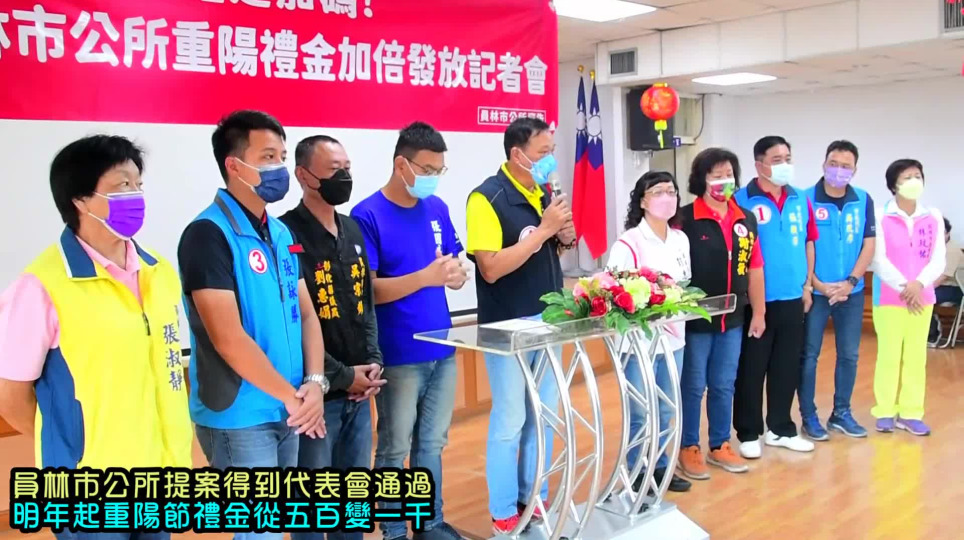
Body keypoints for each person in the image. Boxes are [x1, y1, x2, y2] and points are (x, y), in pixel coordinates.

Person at [0, 135, 192, 540]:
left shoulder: (159, 272)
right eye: (122, 185)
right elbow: (12, 398)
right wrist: (69, 449)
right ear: (81, 200)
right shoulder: (41, 286)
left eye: (138, 184)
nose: (136, 196)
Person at [178, 111, 326, 539]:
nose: (280, 168)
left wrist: (314, 383)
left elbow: (307, 314)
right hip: (240, 415)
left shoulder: (280, 233)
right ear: (235, 165)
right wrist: (293, 398)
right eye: (267, 157)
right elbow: (227, 338)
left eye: (282, 156)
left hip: (290, 405)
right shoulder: (207, 234)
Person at [351, 121, 467, 540]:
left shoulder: (437, 208)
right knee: (395, 446)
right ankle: (395, 530)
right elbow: (368, 290)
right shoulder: (367, 215)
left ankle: (430, 523)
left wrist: (456, 275)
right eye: (427, 169)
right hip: (398, 351)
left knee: (432, 443)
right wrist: (425, 277)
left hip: (443, 346)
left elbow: (452, 264)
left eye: (439, 170)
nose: (433, 178)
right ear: (402, 164)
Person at [465, 117, 575, 535]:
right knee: (511, 420)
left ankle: (536, 498)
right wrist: (544, 230)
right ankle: (503, 511)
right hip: (506, 326)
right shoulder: (486, 198)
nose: (550, 161)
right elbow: (491, 268)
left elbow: (549, 253)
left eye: (552, 153)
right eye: (543, 153)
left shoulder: (543, 193)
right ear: (517, 154)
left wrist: (562, 236)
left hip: (549, 319)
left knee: (543, 416)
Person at [280, 135, 386, 540]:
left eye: (347, 169)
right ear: (304, 175)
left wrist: (372, 363)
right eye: (333, 170)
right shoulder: (285, 234)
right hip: (315, 398)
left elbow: (365, 303)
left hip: (359, 394)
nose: (343, 177)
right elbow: (294, 323)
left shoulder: (353, 228)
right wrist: (342, 376)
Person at [676, 148, 762, 481]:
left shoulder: (745, 218)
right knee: (693, 385)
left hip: (734, 319)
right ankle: (689, 446)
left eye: (729, 175)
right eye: (716, 176)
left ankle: (720, 444)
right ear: (701, 179)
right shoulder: (684, 219)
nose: (724, 181)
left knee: (724, 384)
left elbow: (755, 267)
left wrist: (759, 311)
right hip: (696, 320)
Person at [607, 171, 692, 493]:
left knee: (667, 407)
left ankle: (659, 467)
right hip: (637, 344)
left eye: (671, 191)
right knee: (640, 412)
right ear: (642, 201)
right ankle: (636, 472)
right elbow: (614, 292)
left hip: (673, 340)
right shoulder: (629, 243)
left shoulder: (680, 239)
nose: (666, 197)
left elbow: (685, 284)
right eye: (658, 192)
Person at [733, 135, 818, 458]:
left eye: (787, 159)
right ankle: (748, 432)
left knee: (786, 366)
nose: (784, 165)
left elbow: (809, 242)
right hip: (756, 301)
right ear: (759, 165)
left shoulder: (800, 198)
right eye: (776, 160)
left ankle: (781, 428)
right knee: (752, 368)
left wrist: (807, 286)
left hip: (792, 297)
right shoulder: (741, 200)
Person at [798, 140, 876, 441]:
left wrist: (851, 282)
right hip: (816, 292)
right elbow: (802, 246)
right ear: (824, 164)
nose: (839, 170)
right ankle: (809, 416)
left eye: (846, 166)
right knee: (809, 355)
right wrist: (816, 283)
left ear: (855, 170)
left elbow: (869, 244)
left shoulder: (863, 200)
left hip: (851, 293)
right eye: (834, 164)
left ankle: (841, 413)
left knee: (849, 356)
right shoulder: (805, 199)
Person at [871, 159, 945, 436]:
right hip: (889, 297)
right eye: (906, 177)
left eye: (917, 176)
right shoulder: (880, 215)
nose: (914, 181)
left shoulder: (933, 216)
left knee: (916, 357)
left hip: (922, 298)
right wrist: (906, 287)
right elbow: (878, 259)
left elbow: (938, 259)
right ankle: (885, 411)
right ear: (894, 185)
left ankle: (911, 413)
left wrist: (919, 285)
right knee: (888, 356)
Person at [928, 217, 962, 345]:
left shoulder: (952, 250)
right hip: (943, 286)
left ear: (947, 233)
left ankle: (933, 332)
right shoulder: (933, 249)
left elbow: (944, 276)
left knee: (923, 296)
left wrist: (923, 289)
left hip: (957, 289)